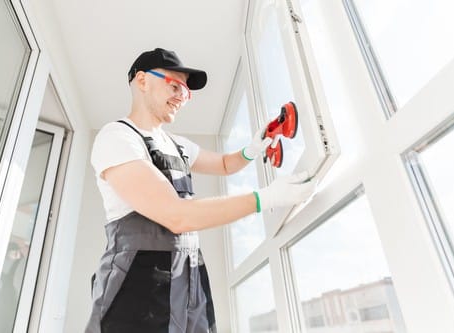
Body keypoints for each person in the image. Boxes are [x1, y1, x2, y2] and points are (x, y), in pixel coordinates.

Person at [85, 48, 316, 333]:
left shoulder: (178, 144)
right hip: (137, 286)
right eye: (175, 85)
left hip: (189, 279)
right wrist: (264, 198)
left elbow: (224, 164)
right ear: (142, 81)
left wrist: (253, 148)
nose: (182, 97)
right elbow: (176, 215)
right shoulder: (117, 137)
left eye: (186, 91)